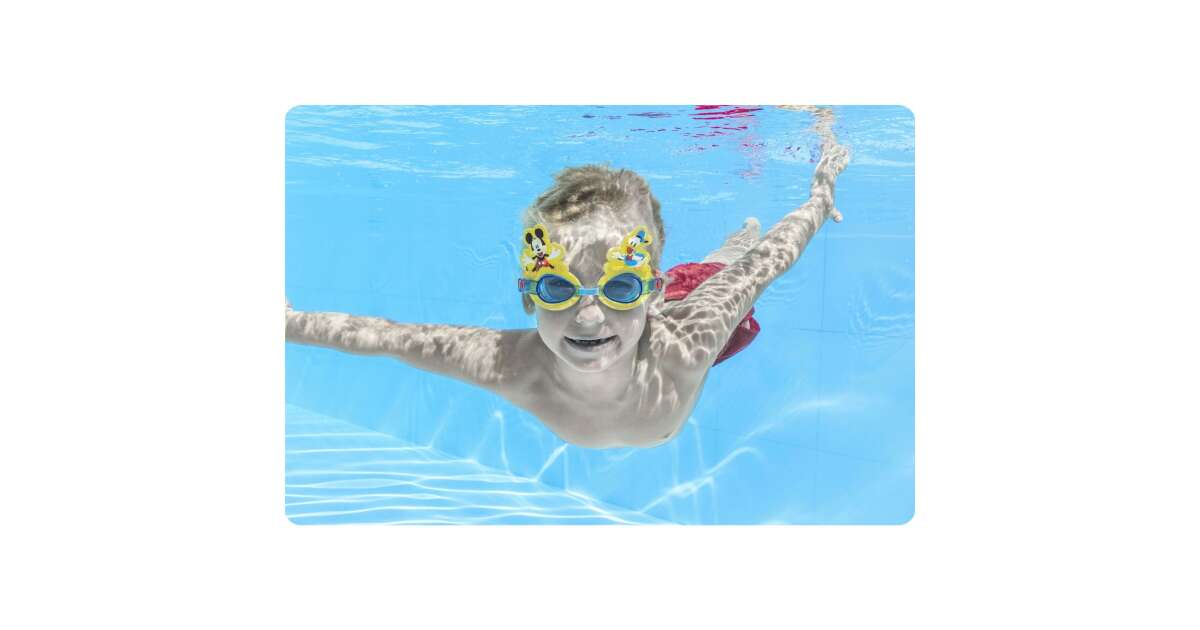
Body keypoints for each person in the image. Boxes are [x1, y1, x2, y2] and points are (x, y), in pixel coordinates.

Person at [287, 113, 849, 448]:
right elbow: (388, 337)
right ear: (528, 298)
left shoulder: (688, 345)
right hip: (649, 308)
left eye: (619, 289)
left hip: (681, 317)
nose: (588, 316)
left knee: (723, 271)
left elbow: (770, 261)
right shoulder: (507, 364)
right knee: (685, 278)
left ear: (648, 295)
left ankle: (726, 245)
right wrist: (287, 323)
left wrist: (821, 194)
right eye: (557, 288)